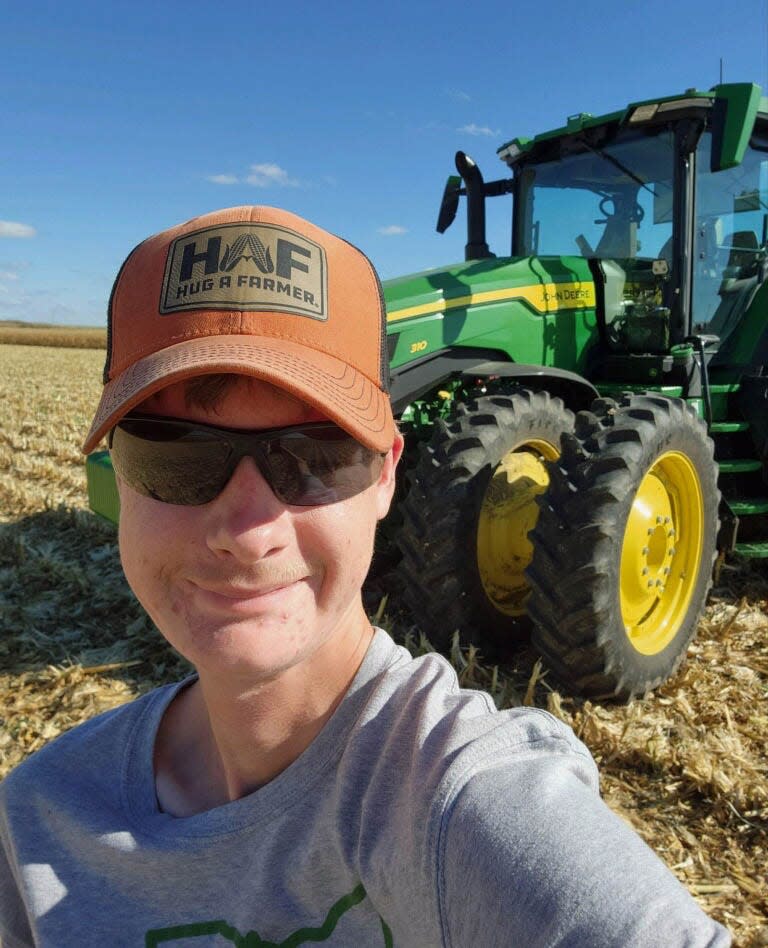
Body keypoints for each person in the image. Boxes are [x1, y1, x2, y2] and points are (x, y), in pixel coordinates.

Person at [0, 206, 730, 947]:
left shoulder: (459, 802)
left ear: (387, 476)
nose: (249, 533)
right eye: (177, 455)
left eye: (316, 458)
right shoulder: (35, 824)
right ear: (116, 472)